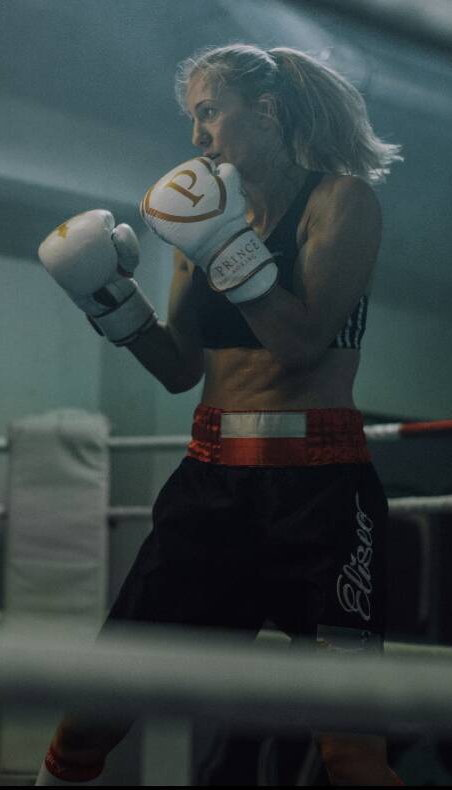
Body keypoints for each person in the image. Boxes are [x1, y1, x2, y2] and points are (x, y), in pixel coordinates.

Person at [36, 43, 403, 785]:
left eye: (209, 112)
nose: (197, 136)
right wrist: (108, 302)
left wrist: (227, 246)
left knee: (352, 751)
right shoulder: (191, 226)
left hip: (321, 496)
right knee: (93, 712)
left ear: (264, 111)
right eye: (192, 119)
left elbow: (300, 344)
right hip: (211, 490)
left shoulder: (342, 202)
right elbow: (180, 370)